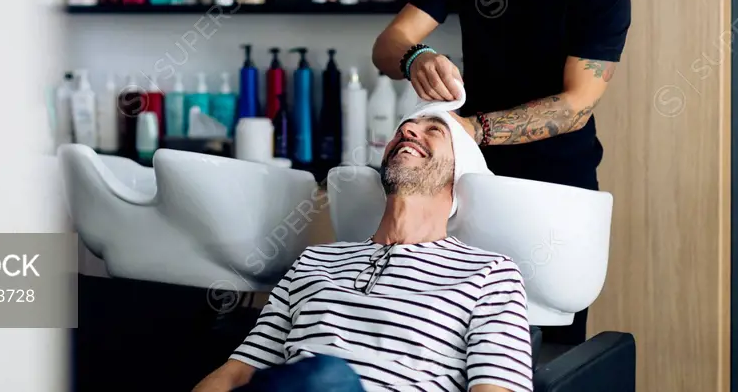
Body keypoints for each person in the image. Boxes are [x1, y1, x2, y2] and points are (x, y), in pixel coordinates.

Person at [371, 0, 631, 346]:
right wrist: (416, 58)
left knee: (540, 352)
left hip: (555, 192)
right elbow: (389, 42)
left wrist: (475, 128)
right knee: (454, 342)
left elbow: (576, 103)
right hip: (470, 183)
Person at [193, 112, 533, 392]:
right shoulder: (314, 261)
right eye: (403, 129)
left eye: (434, 131)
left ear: (460, 171)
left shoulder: (490, 275)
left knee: (325, 377)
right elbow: (237, 373)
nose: (410, 130)